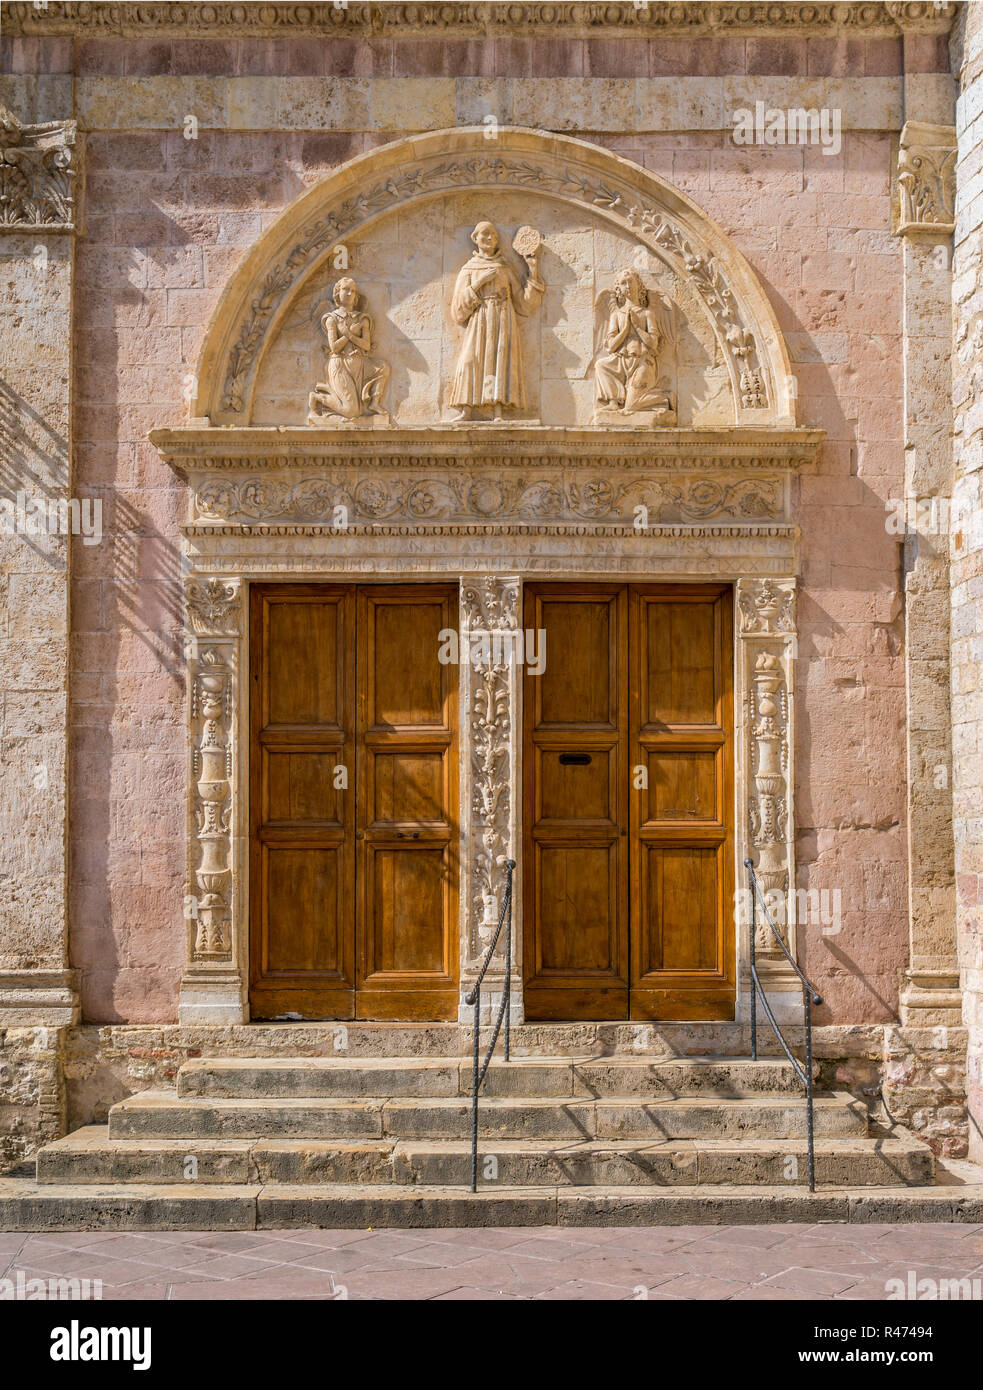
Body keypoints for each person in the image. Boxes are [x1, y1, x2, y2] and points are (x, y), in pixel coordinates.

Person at [449, 221, 545, 419]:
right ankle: (467, 408)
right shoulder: (469, 269)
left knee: (500, 360)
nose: (489, 238)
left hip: (503, 321)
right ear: (475, 238)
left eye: (493, 234)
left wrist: (533, 271)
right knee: (470, 360)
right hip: (479, 321)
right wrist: (479, 282)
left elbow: (524, 305)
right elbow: (458, 311)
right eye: (484, 234)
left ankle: (498, 409)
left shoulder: (504, 267)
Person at [308, 276, 389, 422]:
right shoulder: (332, 318)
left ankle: (374, 403)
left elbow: (366, 344)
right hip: (340, 364)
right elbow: (334, 347)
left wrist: (350, 334)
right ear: (337, 293)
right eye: (346, 290)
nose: (350, 293)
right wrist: (348, 333)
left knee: (383, 367)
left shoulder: (362, 318)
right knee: (351, 411)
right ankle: (318, 398)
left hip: (360, 363)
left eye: (353, 291)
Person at [594, 268, 671, 415]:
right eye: (623, 283)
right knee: (601, 365)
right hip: (621, 361)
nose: (628, 286)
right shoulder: (616, 315)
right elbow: (611, 345)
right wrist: (625, 330)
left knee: (631, 407)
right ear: (619, 289)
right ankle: (613, 401)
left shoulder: (647, 313)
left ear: (638, 285)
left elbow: (653, 343)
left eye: (631, 282)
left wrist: (636, 326)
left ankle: (663, 399)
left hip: (642, 362)